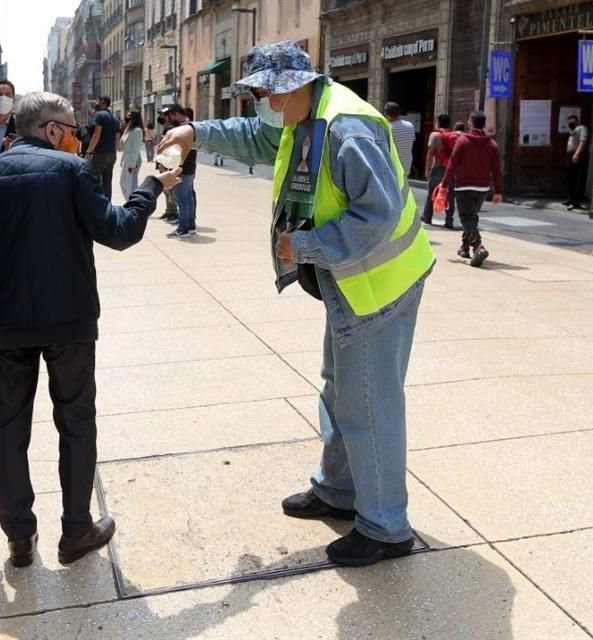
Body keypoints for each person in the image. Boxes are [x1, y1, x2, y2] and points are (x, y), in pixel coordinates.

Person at [159, 41, 435, 567]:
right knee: (340, 388)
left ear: (290, 85)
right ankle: (338, 489)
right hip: (349, 281)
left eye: (264, 90)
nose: (261, 100)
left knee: (370, 403)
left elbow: (375, 216)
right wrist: (197, 133)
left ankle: (386, 527)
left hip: (379, 281)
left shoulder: (345, 128)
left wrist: (304, 246)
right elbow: (256, 137)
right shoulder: (303, 116)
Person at [0, 92, 181, 568]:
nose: (78, 135)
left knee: (8, 430)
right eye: (72, 127)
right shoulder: (74, 173)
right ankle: (76, 530)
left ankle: (20, 538)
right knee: (76, 422)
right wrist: (150, 187)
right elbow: (120, 231)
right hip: (69, 321)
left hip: (7, 326)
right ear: (50, 130)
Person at [441, 111, 503, 267]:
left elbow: (452, 164)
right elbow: (496, 169)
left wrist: (444, 184)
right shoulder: (492, 144)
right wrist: (498, 191)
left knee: (466, 217)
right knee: (472, 216)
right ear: (484, 124)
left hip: (464, 186)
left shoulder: (462, 141)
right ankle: (464, 247)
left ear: (470, 123)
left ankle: (478, 246)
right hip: (483, 188)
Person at [159, 105, 198, 238]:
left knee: (182, 199)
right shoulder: (191, 126)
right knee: (188, 198)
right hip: (190, 167)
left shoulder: (180, 129)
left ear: (175, 114)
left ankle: (183, 228)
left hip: (181, 167)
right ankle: (190, 225)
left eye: (170, 115)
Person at [421, 113, 457, 228]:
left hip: (438, 167)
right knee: (450, 193)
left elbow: (430, 154)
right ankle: (449, 220)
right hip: (450, 168)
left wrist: (427, 170)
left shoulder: (435, 135)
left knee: (432, 192)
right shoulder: (453, 135)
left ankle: (427, 216)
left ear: (438, 122)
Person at [84, 96, 120, 196]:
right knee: (107, 183)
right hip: (111, 154)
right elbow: (117, 139)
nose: (96, 103)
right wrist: (114, 153)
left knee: (95, 181)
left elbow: (96, 135)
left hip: (100, 153)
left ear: (103, 102)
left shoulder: (99, 115)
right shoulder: (115, 118)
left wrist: (89, 151)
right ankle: (107, 205)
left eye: (98, 101)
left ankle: (96, 206)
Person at [564, 114, 590, 210]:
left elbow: (583, 141)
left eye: (572, 121)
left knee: (576, 179)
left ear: (577, 121)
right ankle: (570, 199)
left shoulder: (582, 128)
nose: (570, 123)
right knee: (570, 178)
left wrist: (577, 154)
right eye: (569, 121)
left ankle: (575, 202)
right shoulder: (572, 131)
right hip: (570, 155)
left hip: (578, 155)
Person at [384, 102, 415, 179]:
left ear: (386, 114)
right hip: (406, 165)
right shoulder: (410, 125)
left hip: (391, 166)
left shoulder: (387, 128)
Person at [119, 111, 144, 199]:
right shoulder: (129, 130)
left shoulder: (137, 131)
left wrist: (133, 164)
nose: (127, 120)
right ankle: (131, 202)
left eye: (129, 118)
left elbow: (135, 149)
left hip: (132, 159)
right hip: (127, 157)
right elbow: (121, 147)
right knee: (124, 183)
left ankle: (132, 203)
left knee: (130, 185)